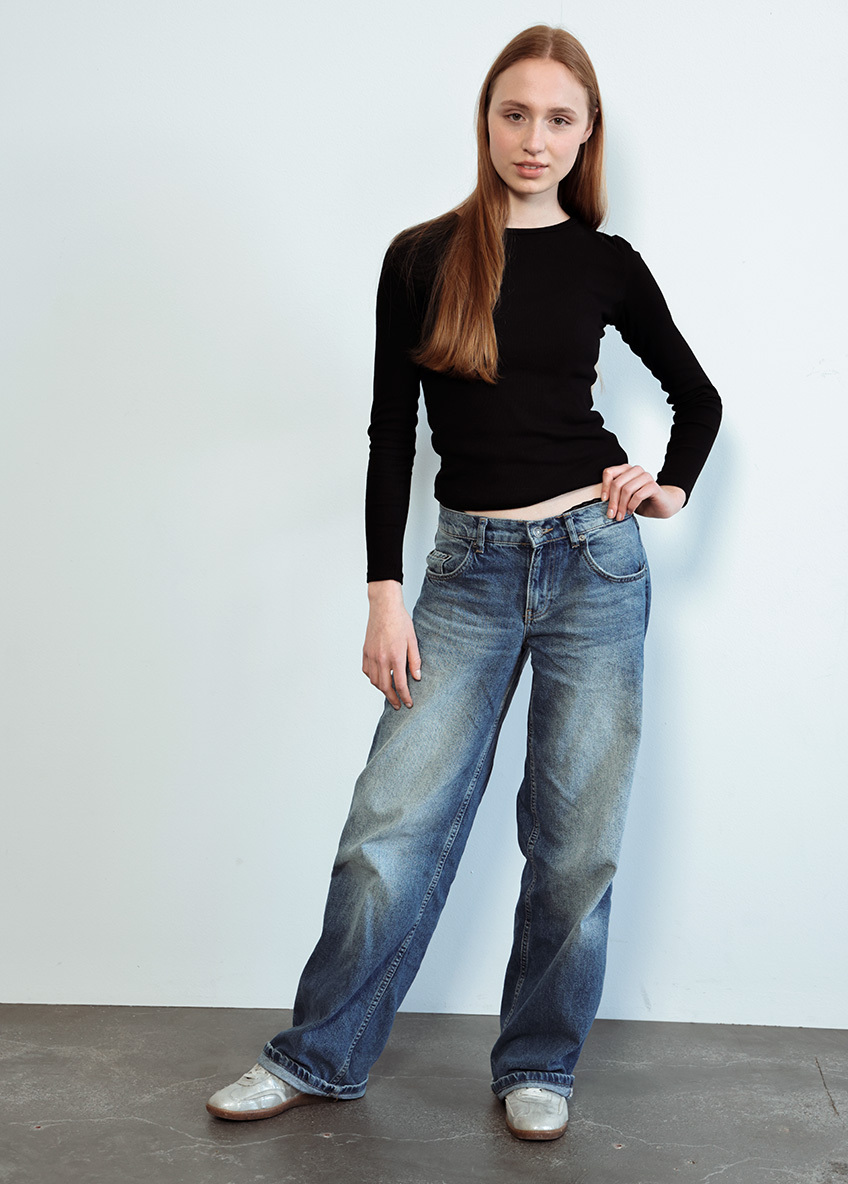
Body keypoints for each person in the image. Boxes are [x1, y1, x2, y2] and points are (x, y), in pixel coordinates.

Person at [206, 24, 721, 1141]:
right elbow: (392, 433)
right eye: (513, 113)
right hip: (465, 573)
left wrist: (668, 486)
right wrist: (382, 592)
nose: (533, 137)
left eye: (557, 119)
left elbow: (699, 397)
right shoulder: (422, 256)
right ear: (486, 120)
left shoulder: (606, 263)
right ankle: (317, 1055)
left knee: (574, 841)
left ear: (585, 133)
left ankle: (538, 1062)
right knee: (389, 823)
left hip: (594, 563)